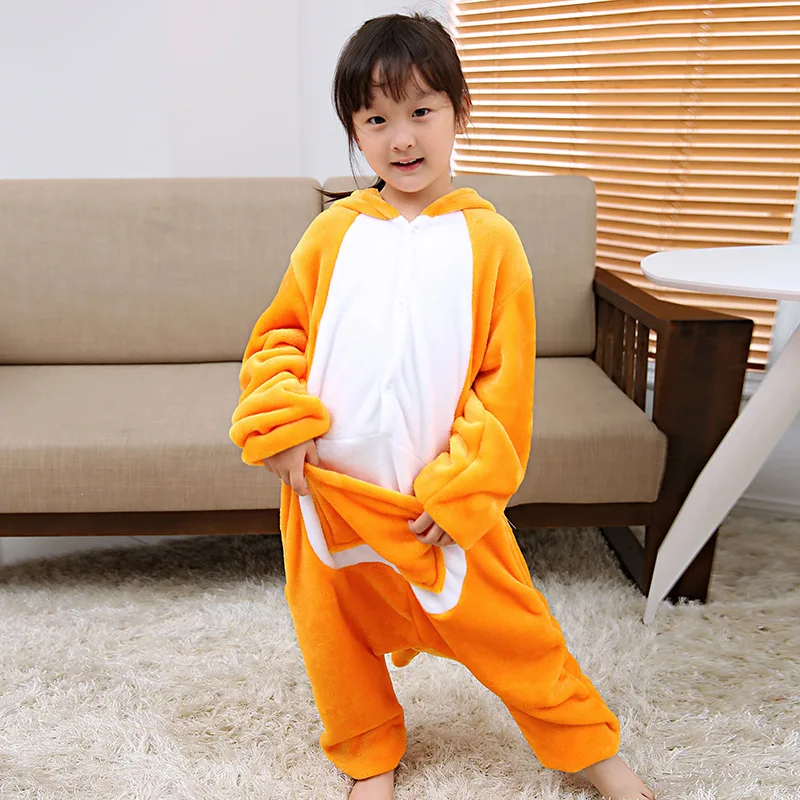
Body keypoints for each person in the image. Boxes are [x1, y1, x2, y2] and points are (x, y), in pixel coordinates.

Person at [230, 12, 656, 800]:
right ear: (354, 132)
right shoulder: (331, 235)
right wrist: (281, 427)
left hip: (436, 500)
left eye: (421, 111)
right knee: (333, 634)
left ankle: (592, 751)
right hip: (329, 493)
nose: (402, 138)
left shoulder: (491, 242)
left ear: (461, 111)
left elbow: (504, 383)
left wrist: (463, 486)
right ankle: (369, 757)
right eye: (376, 119)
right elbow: (278, 338)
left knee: (513, 628)